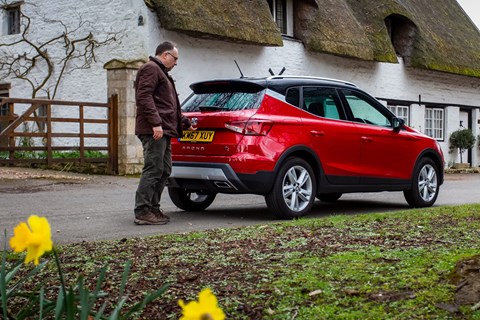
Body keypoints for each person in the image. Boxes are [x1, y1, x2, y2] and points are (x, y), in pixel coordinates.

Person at [133, 41, 194, 225]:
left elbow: (170, 106)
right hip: (155, 130)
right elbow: (143, 97)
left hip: (165, 130)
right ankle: (142, 210)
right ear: (165, 55)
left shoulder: (163, 74)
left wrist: (185, 123)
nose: (176, 63)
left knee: (165, 169)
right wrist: (156, 123)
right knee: (154, 168)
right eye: (175, 59)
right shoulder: (150, 69)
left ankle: (153, 208)